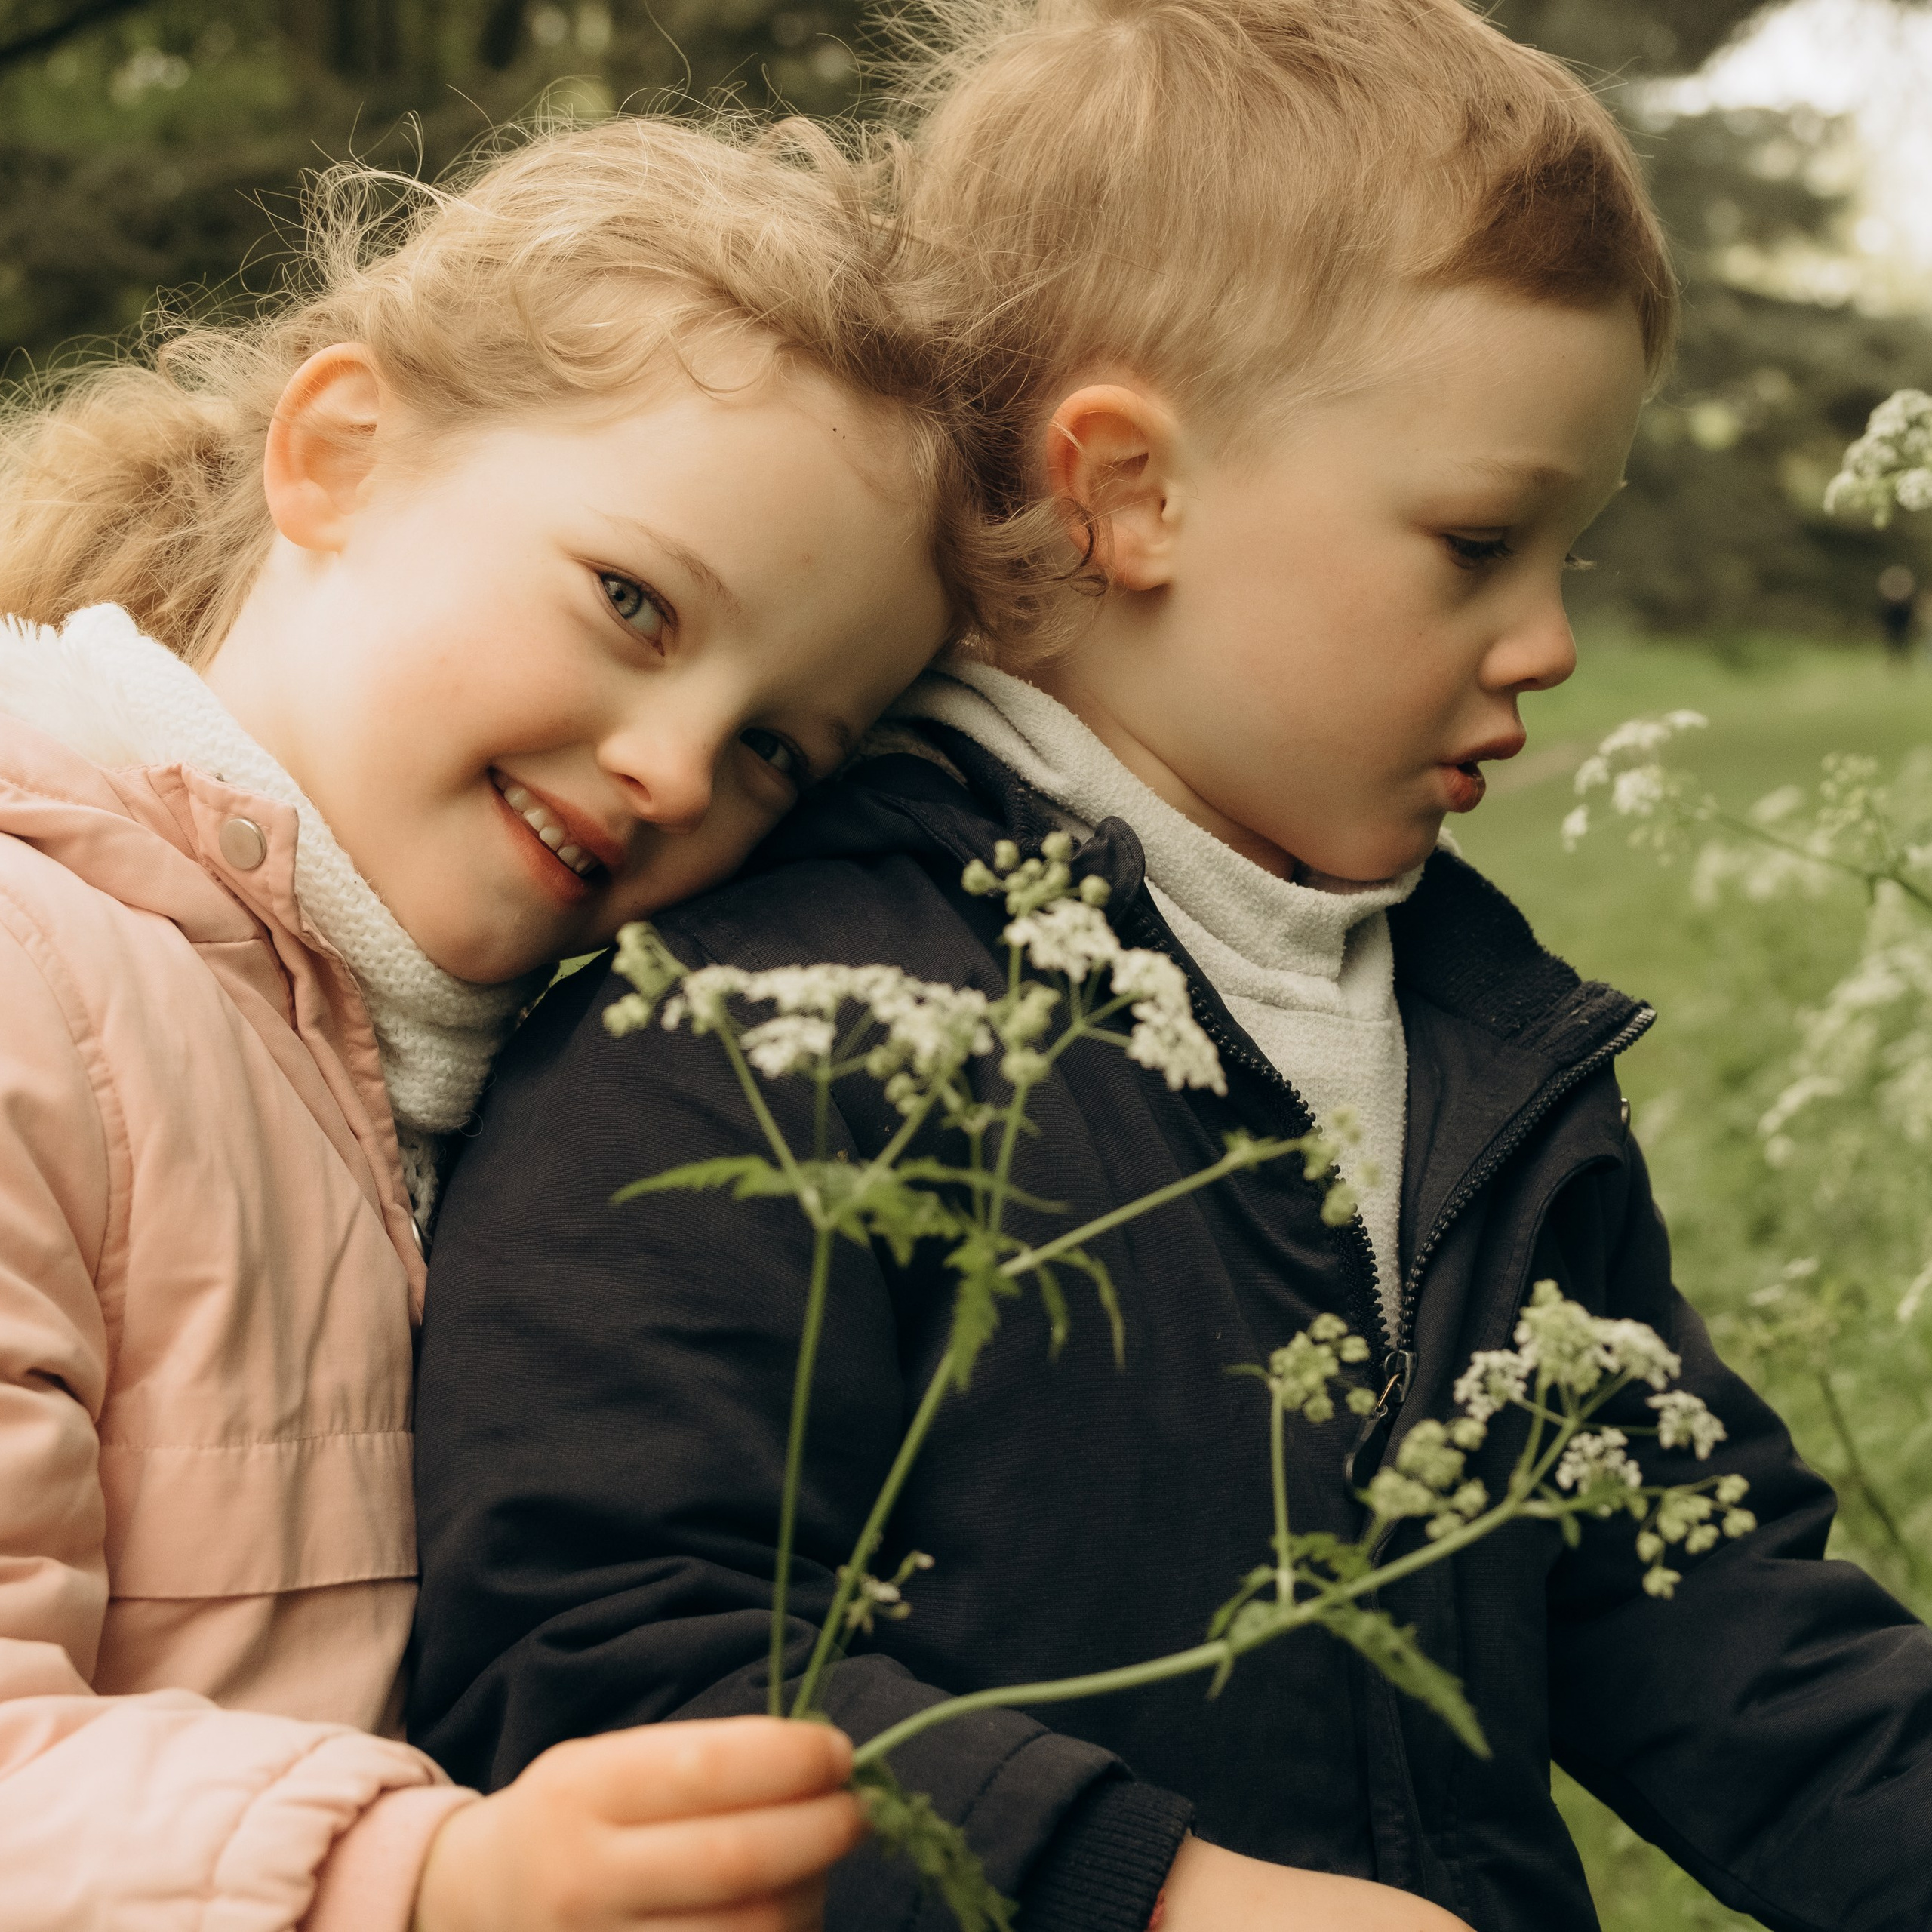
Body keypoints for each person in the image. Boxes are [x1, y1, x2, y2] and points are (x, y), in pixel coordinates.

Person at [404, 5, 1932, 1930]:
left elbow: (1727, 1635)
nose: (1545, 639)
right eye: (1476, 542)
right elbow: (598, 1655)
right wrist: (1143, 1892)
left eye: (1570, 553)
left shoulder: (1471, 1041)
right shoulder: (741, 1027)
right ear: (1127, 489)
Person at [0, 110, 1016, 1932]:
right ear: (340, 452)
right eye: (634, 603)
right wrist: (423, 1878)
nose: (678, 762)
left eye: (780, 746)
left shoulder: (523, 1087)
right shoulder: (32, 974)